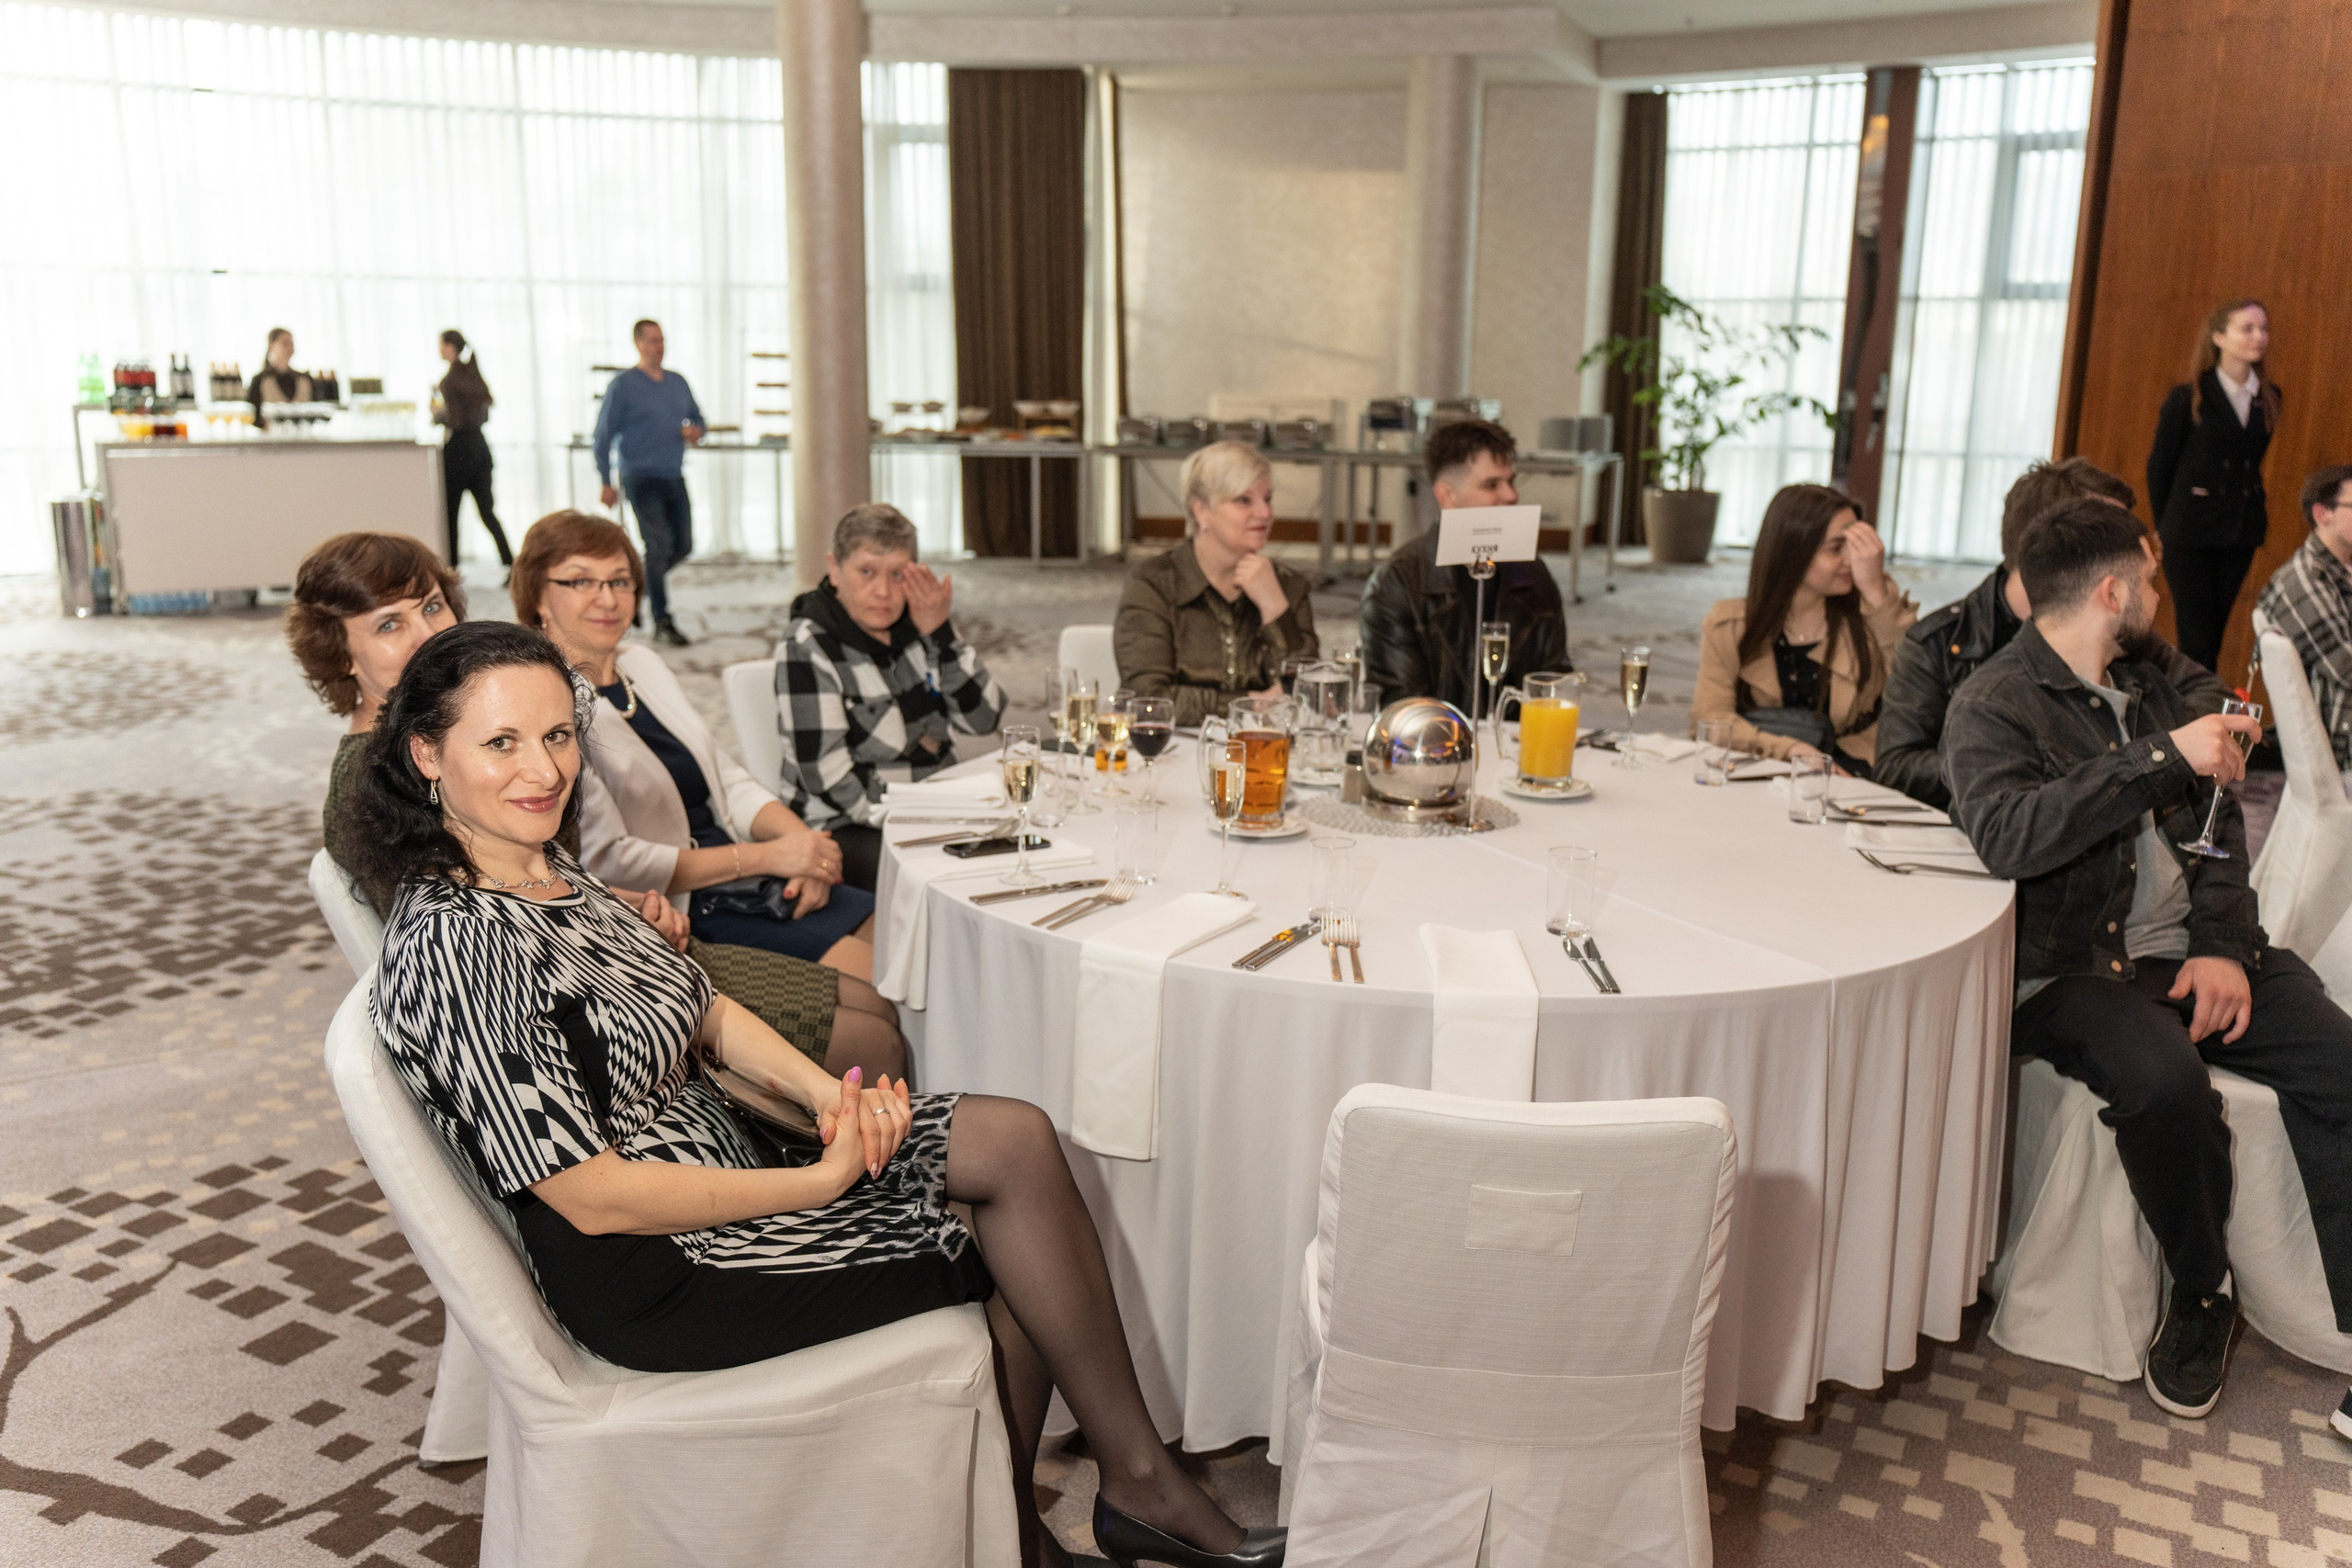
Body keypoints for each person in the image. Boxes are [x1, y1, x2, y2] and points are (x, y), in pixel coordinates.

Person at [353, 621, 1284, 1568]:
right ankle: (1042, 1529)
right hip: (665, 1265)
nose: (542, 769)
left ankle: (1115, 1494)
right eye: (501, 742)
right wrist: (820, 1181)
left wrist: (824, 1095)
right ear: (428, 752)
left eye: (556, 736)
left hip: (732, 1155)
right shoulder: (457, 943)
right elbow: (591, 1194)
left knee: (1014, 1142)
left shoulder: (540, 866)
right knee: (1003, 1238)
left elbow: (703, 1008)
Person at [1946, 498, 2352, 1424]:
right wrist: (2156, 758)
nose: (2160, 594)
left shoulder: (2158, 683)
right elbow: (2010, 837)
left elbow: (2219, 836)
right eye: (2152, 578)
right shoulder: (1991, 705)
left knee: (2343, 1065)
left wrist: (2219, 947)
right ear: (2111, 588)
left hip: (2192, 947)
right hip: (2076, 969)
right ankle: (2203, 1289)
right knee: (2165, 1086)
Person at [517, 512, 881, 982]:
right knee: (883, 981)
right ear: (537, 597)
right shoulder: (548, 705)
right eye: (581, 581)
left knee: (905, 949)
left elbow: (724, 775)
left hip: (745, 872)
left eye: (620, 581)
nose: (607, 598)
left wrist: (802, 845)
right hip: (687, 905)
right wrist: (767, 857)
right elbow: (611, 860)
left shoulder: (642, 663)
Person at [1877, 458, 2226, 808]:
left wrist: (2138, 753)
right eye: (2104, 529)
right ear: (2051, 536)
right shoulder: (1941, 641)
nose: (2131, 542)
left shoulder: (2117, 632)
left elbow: (2210, 695)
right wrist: (2010, 761)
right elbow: (1897, 767)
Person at [778, 504, 1009, 893]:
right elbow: (828, 775)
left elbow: (983, 719)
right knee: (947, 883)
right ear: (835, 570)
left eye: (898, 574)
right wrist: (919, 818)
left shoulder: (920, 625)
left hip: (931, 805)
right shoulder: (807, 645)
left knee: (1018, 854)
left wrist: (942, 635)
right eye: (866, 571)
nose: (883, 592)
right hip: (844, 827)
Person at [1690, 483, 1916, 775]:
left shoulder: (1871, 618)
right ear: (1792, 552)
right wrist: (1790, 750)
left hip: (1850, 771)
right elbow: (1711, 718)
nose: (1851, 560)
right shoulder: (1730, 624)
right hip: (1759, 765)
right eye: (1836, 548)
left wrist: (1874, 590)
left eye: (1855, 545)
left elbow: (1915, 691)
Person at [1359, 420, 1566, 714]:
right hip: (1437, 750)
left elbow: (1555, 683)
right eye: (1491, 485)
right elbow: (1404, 707)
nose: (1511, 496)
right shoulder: (1399, 582)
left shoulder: (1532, 574)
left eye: (1511, 481)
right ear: (1447, 496)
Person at [1114, 441, 1317, 727]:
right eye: (1244, 500)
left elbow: (1314, 696)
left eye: (1267, 498)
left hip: (1264, 753)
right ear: (1201, 512)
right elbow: (1147, 700)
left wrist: (1275, 607)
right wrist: (1250, 705)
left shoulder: (1288, 585)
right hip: (1172, 753)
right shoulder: (1153, 584)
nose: (1265, 513)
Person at [2148, 299, 2280, 673]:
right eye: (2247, 328)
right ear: (2219, 336)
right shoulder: (2190, 396)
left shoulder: (2268, 398)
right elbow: (2159, 467)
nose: (2258, 337)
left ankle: (2194, 708)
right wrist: (2165, 527)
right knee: (2196, 637)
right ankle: (2191, 715)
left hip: (2240, 531)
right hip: (2189, 532)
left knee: (2214, 634)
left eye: (2263, 329)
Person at [592, 319, 706, 648]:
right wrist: (605, 480)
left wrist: (695, 431)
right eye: (653, 340)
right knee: (658, 547)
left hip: (673, 474)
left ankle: (635, 588)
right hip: (639, 476)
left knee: (682, 546)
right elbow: (602, 436)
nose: (659, 346)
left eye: (662, 340)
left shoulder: (678, 383)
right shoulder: (623, 385)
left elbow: (698, 420)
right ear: (638, 344)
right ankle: (662, 618)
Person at [2255, 465, 2352, 770]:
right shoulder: (2303, 581)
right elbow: (2347, 668)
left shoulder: (2341, 570)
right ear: (2324, 514)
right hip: (2339, 739)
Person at [435, 330, 511, 569]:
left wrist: (438, 415)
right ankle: (510, 562)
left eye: (441, 345)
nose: (439, 350)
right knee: (487, 513)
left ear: (450, 347)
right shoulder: (473, 374)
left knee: (451, 515)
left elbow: (456, 420)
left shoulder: (450, 380)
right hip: (479, 448)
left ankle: (452, 568)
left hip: (458, 450)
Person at [246, 328, 313, 431]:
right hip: (272, 442)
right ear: (271, 345)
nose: (290, 348)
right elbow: (252, 416)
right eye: (285, 344)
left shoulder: (304, 379)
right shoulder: (260, 380)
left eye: (291, 344)